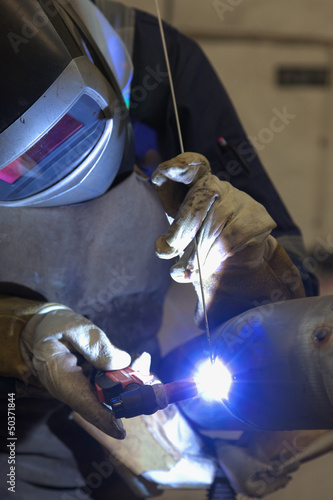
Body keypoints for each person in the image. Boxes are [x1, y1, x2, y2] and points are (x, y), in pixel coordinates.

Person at [0, 0, 321, 498]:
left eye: (68, 133)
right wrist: (20, 334)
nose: (43, 170)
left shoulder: (160, 63)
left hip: (122, 424)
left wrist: (255, 272)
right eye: (10, 172)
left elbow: (295, 320)